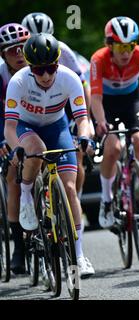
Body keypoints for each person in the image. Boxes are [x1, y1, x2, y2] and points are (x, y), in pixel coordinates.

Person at [4, 33, 95, 277]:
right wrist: (16, 148)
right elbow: (10, 128)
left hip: (57, 126)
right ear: (31, 68)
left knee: (69, 188)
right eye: (39, 70)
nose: (45, 76)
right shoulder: (19, 81)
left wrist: (85, 137)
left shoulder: (69, 78)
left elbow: (82, 118)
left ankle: (79, 255)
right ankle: (26, 195)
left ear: (58, 64)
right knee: (36, 148)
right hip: (26, 127)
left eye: (51, 68)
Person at [90, 16, 139, 231]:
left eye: (130, 46)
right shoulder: (98, 59)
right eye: (121, 47)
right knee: (113, 147)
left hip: (131, 101)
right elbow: (95, 98)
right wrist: (100, 122)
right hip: (105, 104)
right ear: (109, 45)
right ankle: (106, 202)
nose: (126, 52)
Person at [22, 12, 94, 201]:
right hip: (34, 111)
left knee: (76, 155)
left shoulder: (64, 50)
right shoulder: (21, 58)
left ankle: (72, 202)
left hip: (64, 107)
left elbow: (83, 86)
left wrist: (86, 119)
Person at [0, 23, 31, 274]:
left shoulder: (41, 66)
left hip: (39, 124)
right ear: (3, 55)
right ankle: (19, 246)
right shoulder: (1, 76)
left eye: (22, 47)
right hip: (9, 126)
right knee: (13, 174)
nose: (19, 53)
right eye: (12, 50)